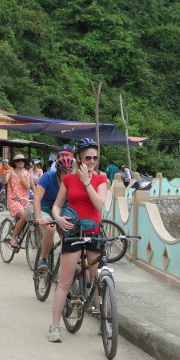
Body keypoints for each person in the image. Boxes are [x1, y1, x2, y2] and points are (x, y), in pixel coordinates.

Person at [48, 138, 108, 343]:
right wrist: (57, 217)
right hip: (73, 232)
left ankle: (104, 321)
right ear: (79, 158)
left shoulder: (101, 179)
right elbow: (56, 205)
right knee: (64, 282)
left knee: (97, 280)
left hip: (93, 232)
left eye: (95, 158)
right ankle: (54, 326)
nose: (92, 161)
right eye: (88, 157)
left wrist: (87, 182)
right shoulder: (68, 180)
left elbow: (99, 205)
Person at [33, 150, 74, 271]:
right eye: (64, 172)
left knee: (70, 229)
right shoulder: (48, 177)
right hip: (45, 208)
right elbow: (36, 197)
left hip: (62, 209)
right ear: (58, 172)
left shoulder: (72, 180)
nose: (67, 175)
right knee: (50, 228)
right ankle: (43, 259)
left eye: (69, 172)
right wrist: (38, 217)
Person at [0, 153, 35, 249]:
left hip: (25, 200)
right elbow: (5, 181)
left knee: (34, 216)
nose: (21, 162)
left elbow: (28, 187)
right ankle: (13, 238)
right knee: (24, 216)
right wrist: (4, 174)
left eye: (22, 161)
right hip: (13, 200)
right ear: (15, 163)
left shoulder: (26, 173)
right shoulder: (10, 172)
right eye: (18, 161)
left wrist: (21, 177)